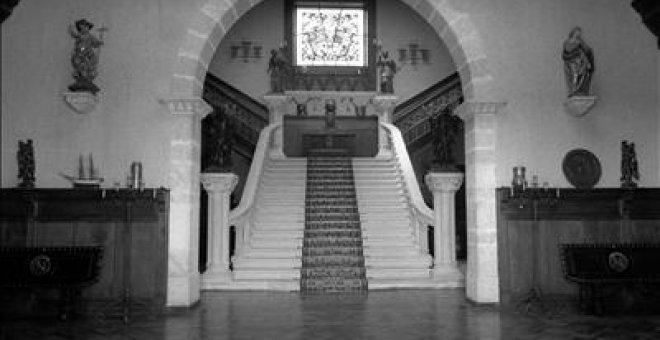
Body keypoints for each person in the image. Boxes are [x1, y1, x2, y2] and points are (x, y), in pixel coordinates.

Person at [69, 19, 104, 94]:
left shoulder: (90, 36)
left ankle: (87, 77)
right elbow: (74, 34)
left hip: (88, 53)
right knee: (79, 63)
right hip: (80, 52)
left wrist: (99, 42)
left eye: (86, 26)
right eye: (82, 26)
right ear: (80, 28)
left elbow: (95, 43)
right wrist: (71, 30)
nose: (85, 28)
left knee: (89, 64)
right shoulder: (80, 35)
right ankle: (81, 76)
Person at [562, 26, 594, 97]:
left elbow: (584, 51)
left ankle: (580, 91)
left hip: (579, 62)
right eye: (577, 33)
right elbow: (566, 53)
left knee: (582, 73)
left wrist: (587, 61)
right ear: (573, 33)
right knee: (574, 75)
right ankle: (573, 90)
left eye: (579, 34)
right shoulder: (567, 42)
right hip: (571, 62)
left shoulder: (579, 42)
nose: (578, 35)